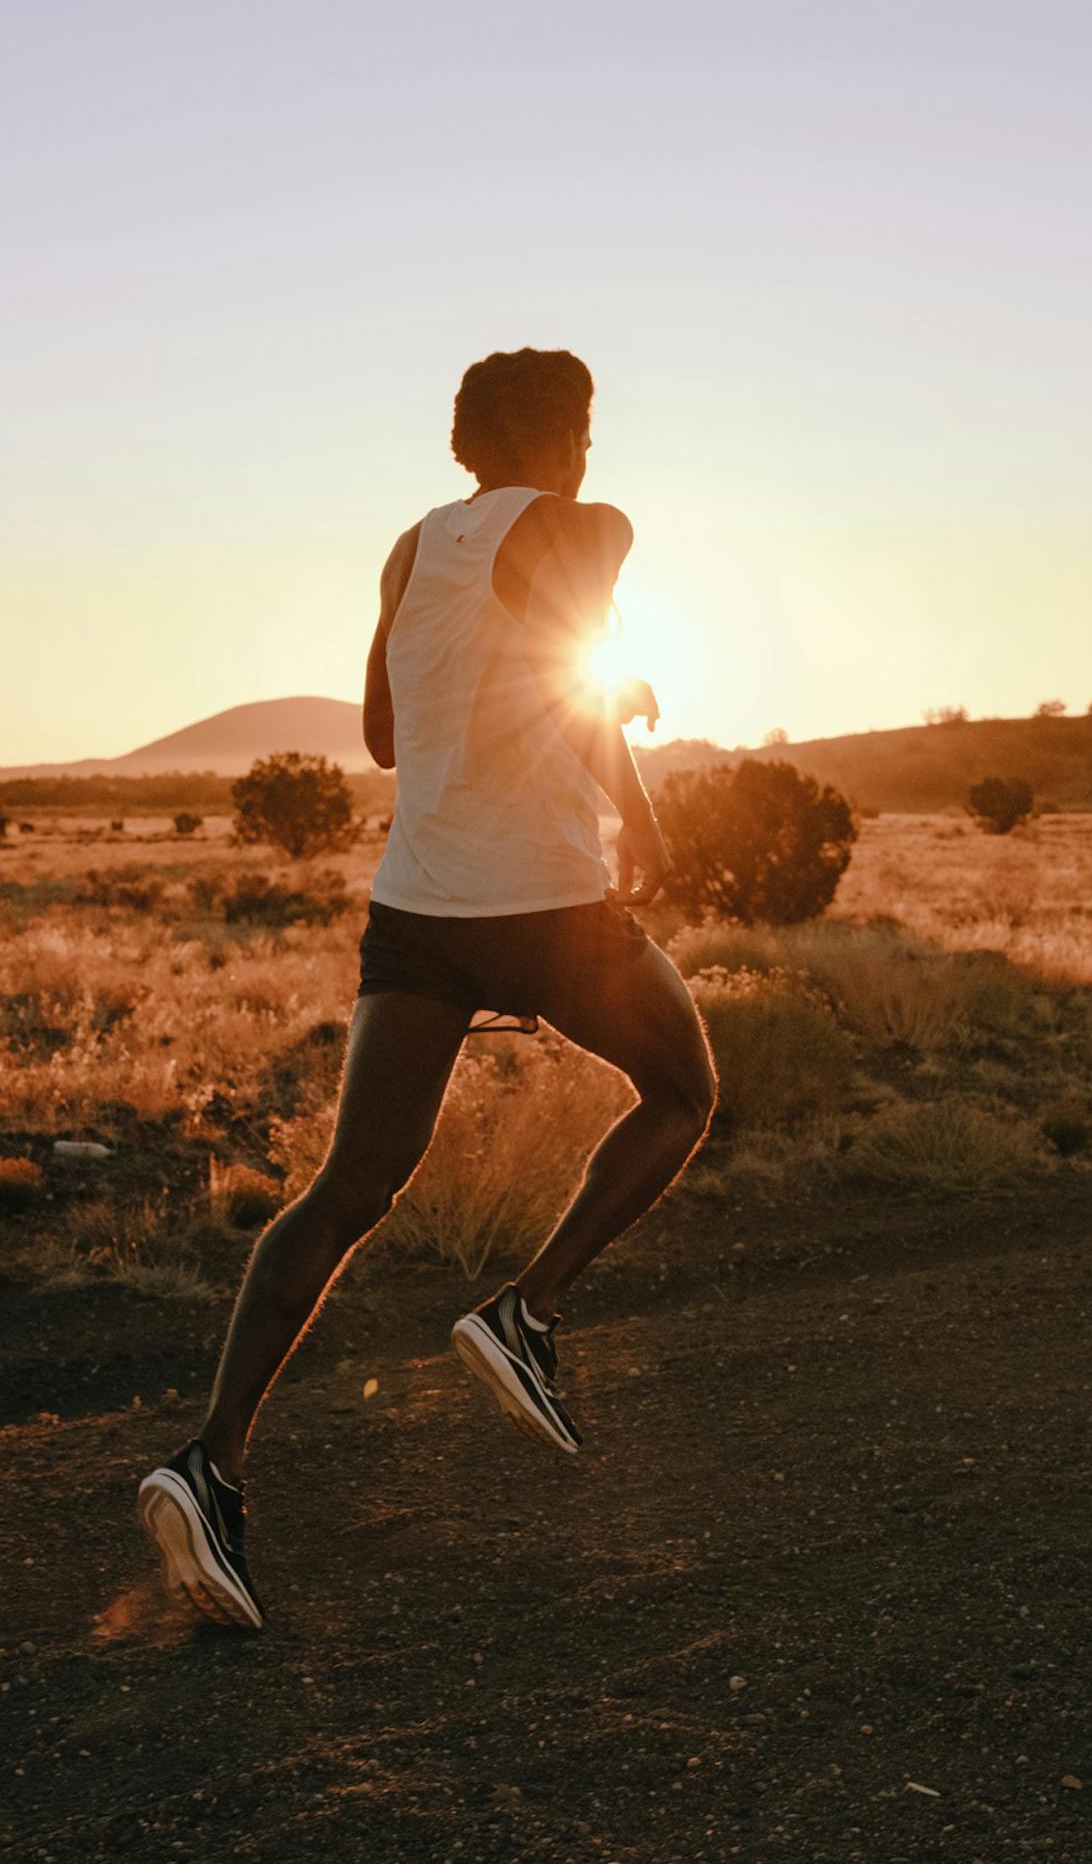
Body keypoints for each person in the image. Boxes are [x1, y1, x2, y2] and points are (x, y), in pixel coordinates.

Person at [136, 348, 717, 1629]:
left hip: (418, 907)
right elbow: (574, 658)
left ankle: (210, 1462)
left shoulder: (411, 548)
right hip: (545, 904)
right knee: (684, 1087)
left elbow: (388, 736)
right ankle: (528, 1306)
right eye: (583, 426)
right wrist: (631, 770)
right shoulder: (591, 525)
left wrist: (613, 743)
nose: (588, 452)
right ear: (559, 434)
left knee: (352, 1186)